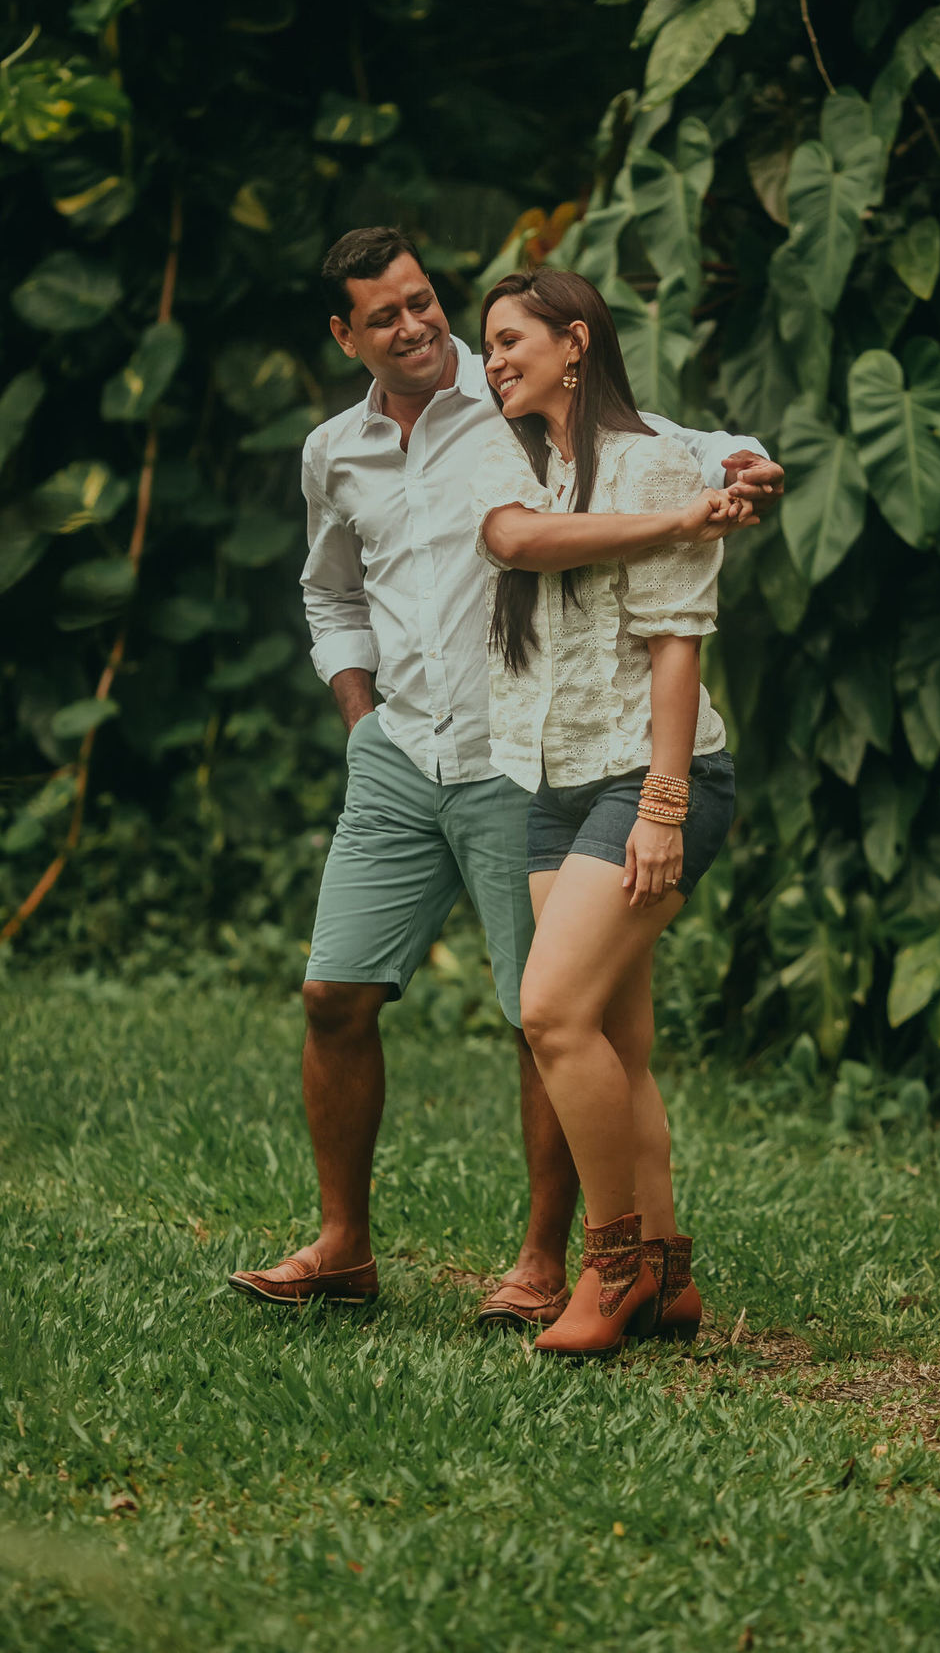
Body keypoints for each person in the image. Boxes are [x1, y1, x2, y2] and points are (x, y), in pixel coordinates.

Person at [227, 227, 783, 1318]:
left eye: (424, 301)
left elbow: (669, 436)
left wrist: (745, 458)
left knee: (545, 1014)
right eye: (386, 315)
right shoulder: (331, 452)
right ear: (345, 335)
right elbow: (328, 592)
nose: (421, 327)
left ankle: (542, 1262)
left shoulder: (513, 391)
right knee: (334, 992)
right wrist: (358, 713)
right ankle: (343, 1248)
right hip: (396, 753)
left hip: (518, 759)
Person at [472, 269, 737, 1357]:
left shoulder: (650, 462)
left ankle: (614, 1266)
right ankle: (671, 1278)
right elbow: (514, 546)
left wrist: (664, 807)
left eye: (508, 340)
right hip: (553, 778)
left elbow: (679, 644)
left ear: (576, 343)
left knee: (552, 1015)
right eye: (485, 346)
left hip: (650, 773)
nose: (492, 361)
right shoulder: (528, 471)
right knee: (616, 1039)